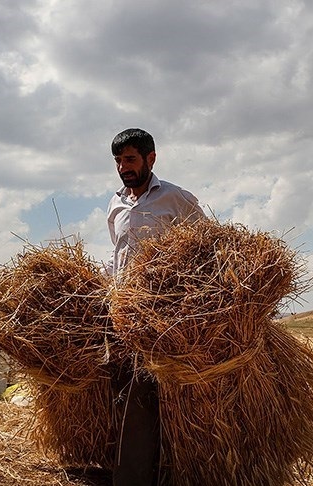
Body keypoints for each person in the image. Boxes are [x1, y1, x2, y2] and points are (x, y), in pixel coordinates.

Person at [106, 128, 205, 485]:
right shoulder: (115, 204)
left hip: (158, 315)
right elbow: (117, 256)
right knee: (118, 390)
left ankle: (133, 478)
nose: (123, 167)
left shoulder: (175, 199)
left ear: (151, 158)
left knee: (140, 394)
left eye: (130, 159)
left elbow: (206, 249)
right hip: (120, 313)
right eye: (118, 161)